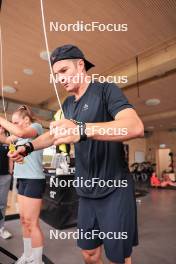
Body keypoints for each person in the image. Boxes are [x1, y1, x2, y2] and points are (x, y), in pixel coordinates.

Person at [9, 45, 144, 264]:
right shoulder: (68, 104)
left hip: (114, 189)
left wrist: (81, 130)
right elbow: (53, 135)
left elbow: (134, 126)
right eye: (56, 75)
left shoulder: (105, 89)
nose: (59, 79)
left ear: (80, 65)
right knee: (89, 254)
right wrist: (29, 147)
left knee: (118, 258)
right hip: (86, 191)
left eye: (63, 71)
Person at [0, 105, 45, 264]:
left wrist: (2, 120)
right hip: (22, 179)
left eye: (16, 122)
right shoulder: (18, 137)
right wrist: (1, 132)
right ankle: (28, 255)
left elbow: (19, 132)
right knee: (24, 221)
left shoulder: (35, 128)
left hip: (34, 180)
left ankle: (37, 260)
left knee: (32, 222)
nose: (14, 125)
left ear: (26, 120)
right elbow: (5, 140)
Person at [0, 125, 13, 239]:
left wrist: (10, 172)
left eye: (2, 127)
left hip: (5, 176)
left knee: (2, 204)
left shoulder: (8, 140)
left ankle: (1, 228)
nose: (1, 129)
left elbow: (11, 157)